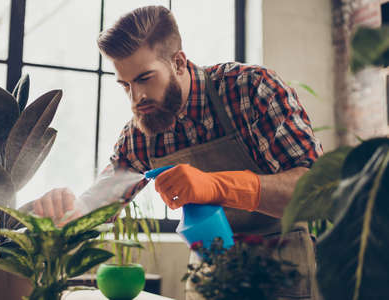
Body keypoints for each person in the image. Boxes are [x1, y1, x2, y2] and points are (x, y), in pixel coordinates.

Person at [28, 5, 323, 299]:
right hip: (210, 276)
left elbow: (316, 191)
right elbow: (101, 202)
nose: (136, 98)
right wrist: (68, 214)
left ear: (179, 63)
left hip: (282, 272)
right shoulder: (140, 134)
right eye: (125, 85)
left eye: (145, 78)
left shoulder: (250, 89)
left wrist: (216, 186)